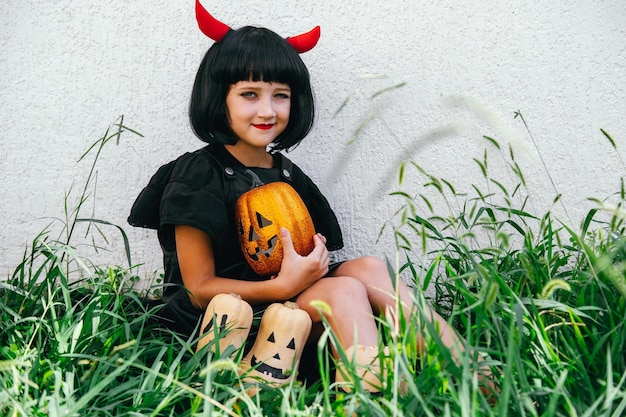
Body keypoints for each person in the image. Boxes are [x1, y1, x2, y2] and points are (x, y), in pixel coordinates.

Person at [128, 0, 486, 393]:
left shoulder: (285, 174)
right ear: (218, 97)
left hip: (283, 308)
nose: (267, 110)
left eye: (280, 95)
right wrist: (280, 288)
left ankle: (466, 369)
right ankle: (369, 393)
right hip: (225, 319)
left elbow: (303, 253)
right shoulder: (199, 172)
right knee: (343, 289)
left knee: (366, 268)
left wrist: (306, 268)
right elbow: (197, 289)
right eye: (249, 94)